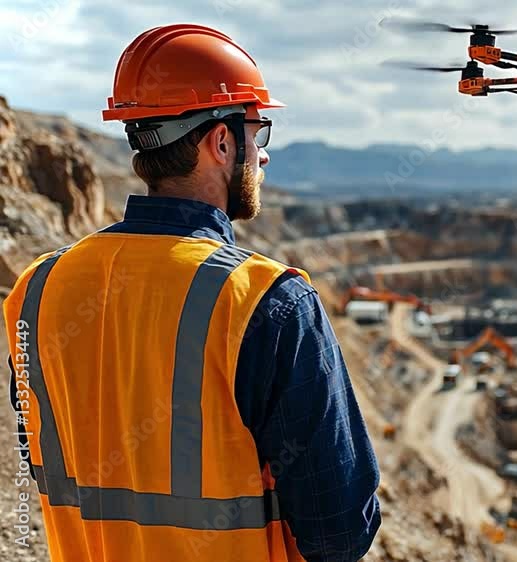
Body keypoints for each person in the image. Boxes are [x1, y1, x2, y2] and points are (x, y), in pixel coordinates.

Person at [3, 24, 380, 561]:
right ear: (221, 142)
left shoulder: (35, 290)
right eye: (259, 132)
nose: (264, 155)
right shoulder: (268, 302)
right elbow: (339, 532)